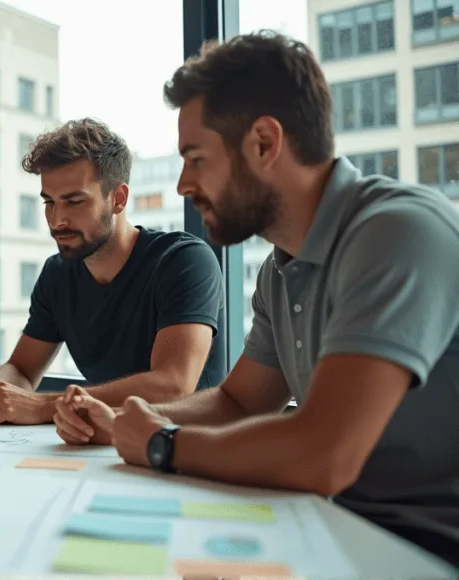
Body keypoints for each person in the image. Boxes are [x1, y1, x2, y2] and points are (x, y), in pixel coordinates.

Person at [54, 31, 459, 566]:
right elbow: (239, 401)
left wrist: (163, 444)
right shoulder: (280, 268)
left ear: (265, 143)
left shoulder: (399, 233)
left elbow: (325, 454)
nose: (181, 185)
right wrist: (139, 417)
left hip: (430, 546)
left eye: (196, 158)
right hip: (339, 525)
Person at [0, 119, 224, 429]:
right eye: (49, 202)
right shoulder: (57, 273)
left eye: (74, 201)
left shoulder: (184, 260)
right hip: (101, 444)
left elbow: (173, 384)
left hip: (187, 449)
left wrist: (45, 404)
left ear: (118, 199)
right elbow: (21, 369)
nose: (56, 220)